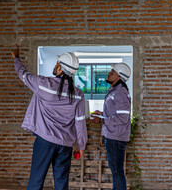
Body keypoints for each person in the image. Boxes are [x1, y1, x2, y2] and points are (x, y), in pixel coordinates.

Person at [11, 45, 87, 190]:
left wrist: (16, 58)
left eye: (57, 63)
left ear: (60, 68)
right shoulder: (78, 94)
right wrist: (81, 145)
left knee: (36, 180)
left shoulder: (43, 85)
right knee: (61, 183)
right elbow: (80, 122)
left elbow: (24, 75)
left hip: (44, 142)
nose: (55, 65)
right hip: (65, 144)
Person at [90, 63, 131, 190]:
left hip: (116, 137)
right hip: (113, 135)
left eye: (112, 72)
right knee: (116, 170)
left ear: (119, 77)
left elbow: (123, 118)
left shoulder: (120, 92)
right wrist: (101, 114)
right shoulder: (115, 90)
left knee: (117, 170)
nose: (109, 73)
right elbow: (116, 113)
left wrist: (102, 120)